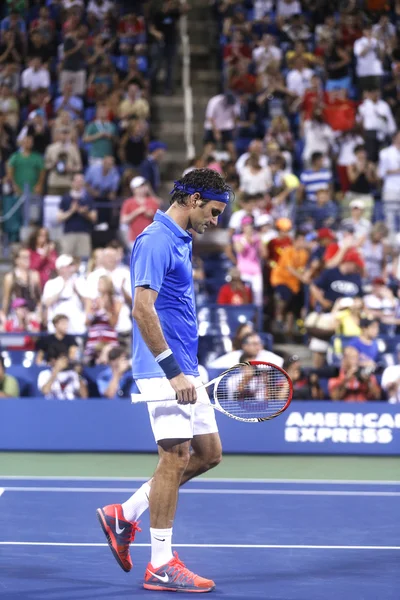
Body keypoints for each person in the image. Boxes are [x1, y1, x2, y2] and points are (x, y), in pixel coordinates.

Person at [96, 168, 234, 593]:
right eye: (213, 211)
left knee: (208, 453)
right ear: (193, 199)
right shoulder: (155, 240)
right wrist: (173, 373)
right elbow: (142, 310)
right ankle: (159, 564)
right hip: (163, 370)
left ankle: (126, 513)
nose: (216, 220)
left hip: (186, 366)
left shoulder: (180, 238)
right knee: (173, 459)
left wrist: (185, 370)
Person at [57, 173, 97, 258]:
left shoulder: (88, 198)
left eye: (81, 181)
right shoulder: (66, 198)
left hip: (84, 233)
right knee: (66, 258)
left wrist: (84, 212)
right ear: (72, 182)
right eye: (77, 181)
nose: (79, 183)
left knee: (84, 259)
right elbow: (59, 218)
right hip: (69, 233)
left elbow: (94, 217)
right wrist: (72, 211)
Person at [120, 176, 160, 248]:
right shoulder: (128, 202)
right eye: (139, 187)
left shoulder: (152, 201)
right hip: (134, 238)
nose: (142, 189)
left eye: (143, 186)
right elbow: (123, 220)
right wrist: (137, 212)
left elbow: (159, 218)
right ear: (134, 189)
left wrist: (151, 215)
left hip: (150, 238)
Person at [209, 331, 283, 369]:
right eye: (254, 344)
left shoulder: (266, 355)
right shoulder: (235, 356)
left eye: (259, 343)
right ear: (245, 346)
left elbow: (281, 363)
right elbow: (212, 366)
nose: (258, 347)